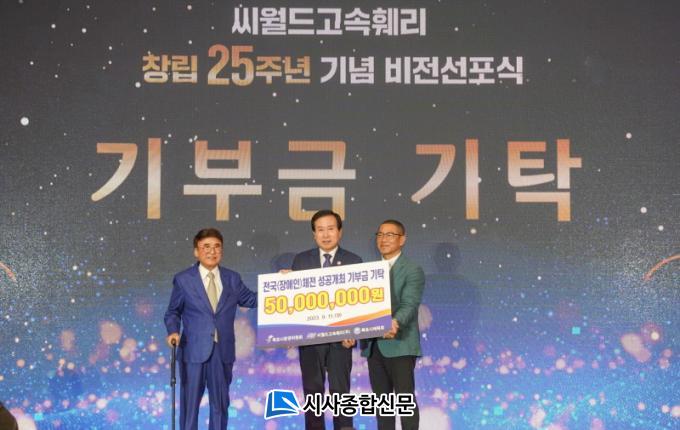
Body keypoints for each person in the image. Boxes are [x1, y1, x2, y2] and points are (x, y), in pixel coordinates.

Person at [164, 228, 257, 430]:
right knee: (190, 407)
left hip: (222, 351)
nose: (212, 251)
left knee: (220, 406)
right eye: (206, 247)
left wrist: (280, 285)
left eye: (216, 247)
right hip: (193, 351)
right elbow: (172, 312)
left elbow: (252, 299)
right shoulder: (183, 279)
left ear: (221, 251)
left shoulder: (232, 278)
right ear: (196, 252)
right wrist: (173, 331)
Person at [292, 209, 362, 430]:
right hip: (311, 341)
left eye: (330, 229)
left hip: (342, 341)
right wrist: (284, 282)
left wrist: (354, 332)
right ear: (314, 234)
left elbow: (361, 304)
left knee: (341, 393)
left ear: (340, 232)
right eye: (320, 230)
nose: (325, 234)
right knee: (313, 393)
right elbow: (294, 301)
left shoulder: (354, 261)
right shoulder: (301, 260)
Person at [360, 220, 424, 430]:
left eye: (390, 235)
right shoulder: (368, 271)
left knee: (405, 401)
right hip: (374, 346)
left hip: (400, 344)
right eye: (380, 235)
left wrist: (395, 322)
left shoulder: (412, 270)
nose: (383, 239)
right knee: (382, 405)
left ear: (402, 239)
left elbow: (409, 304)